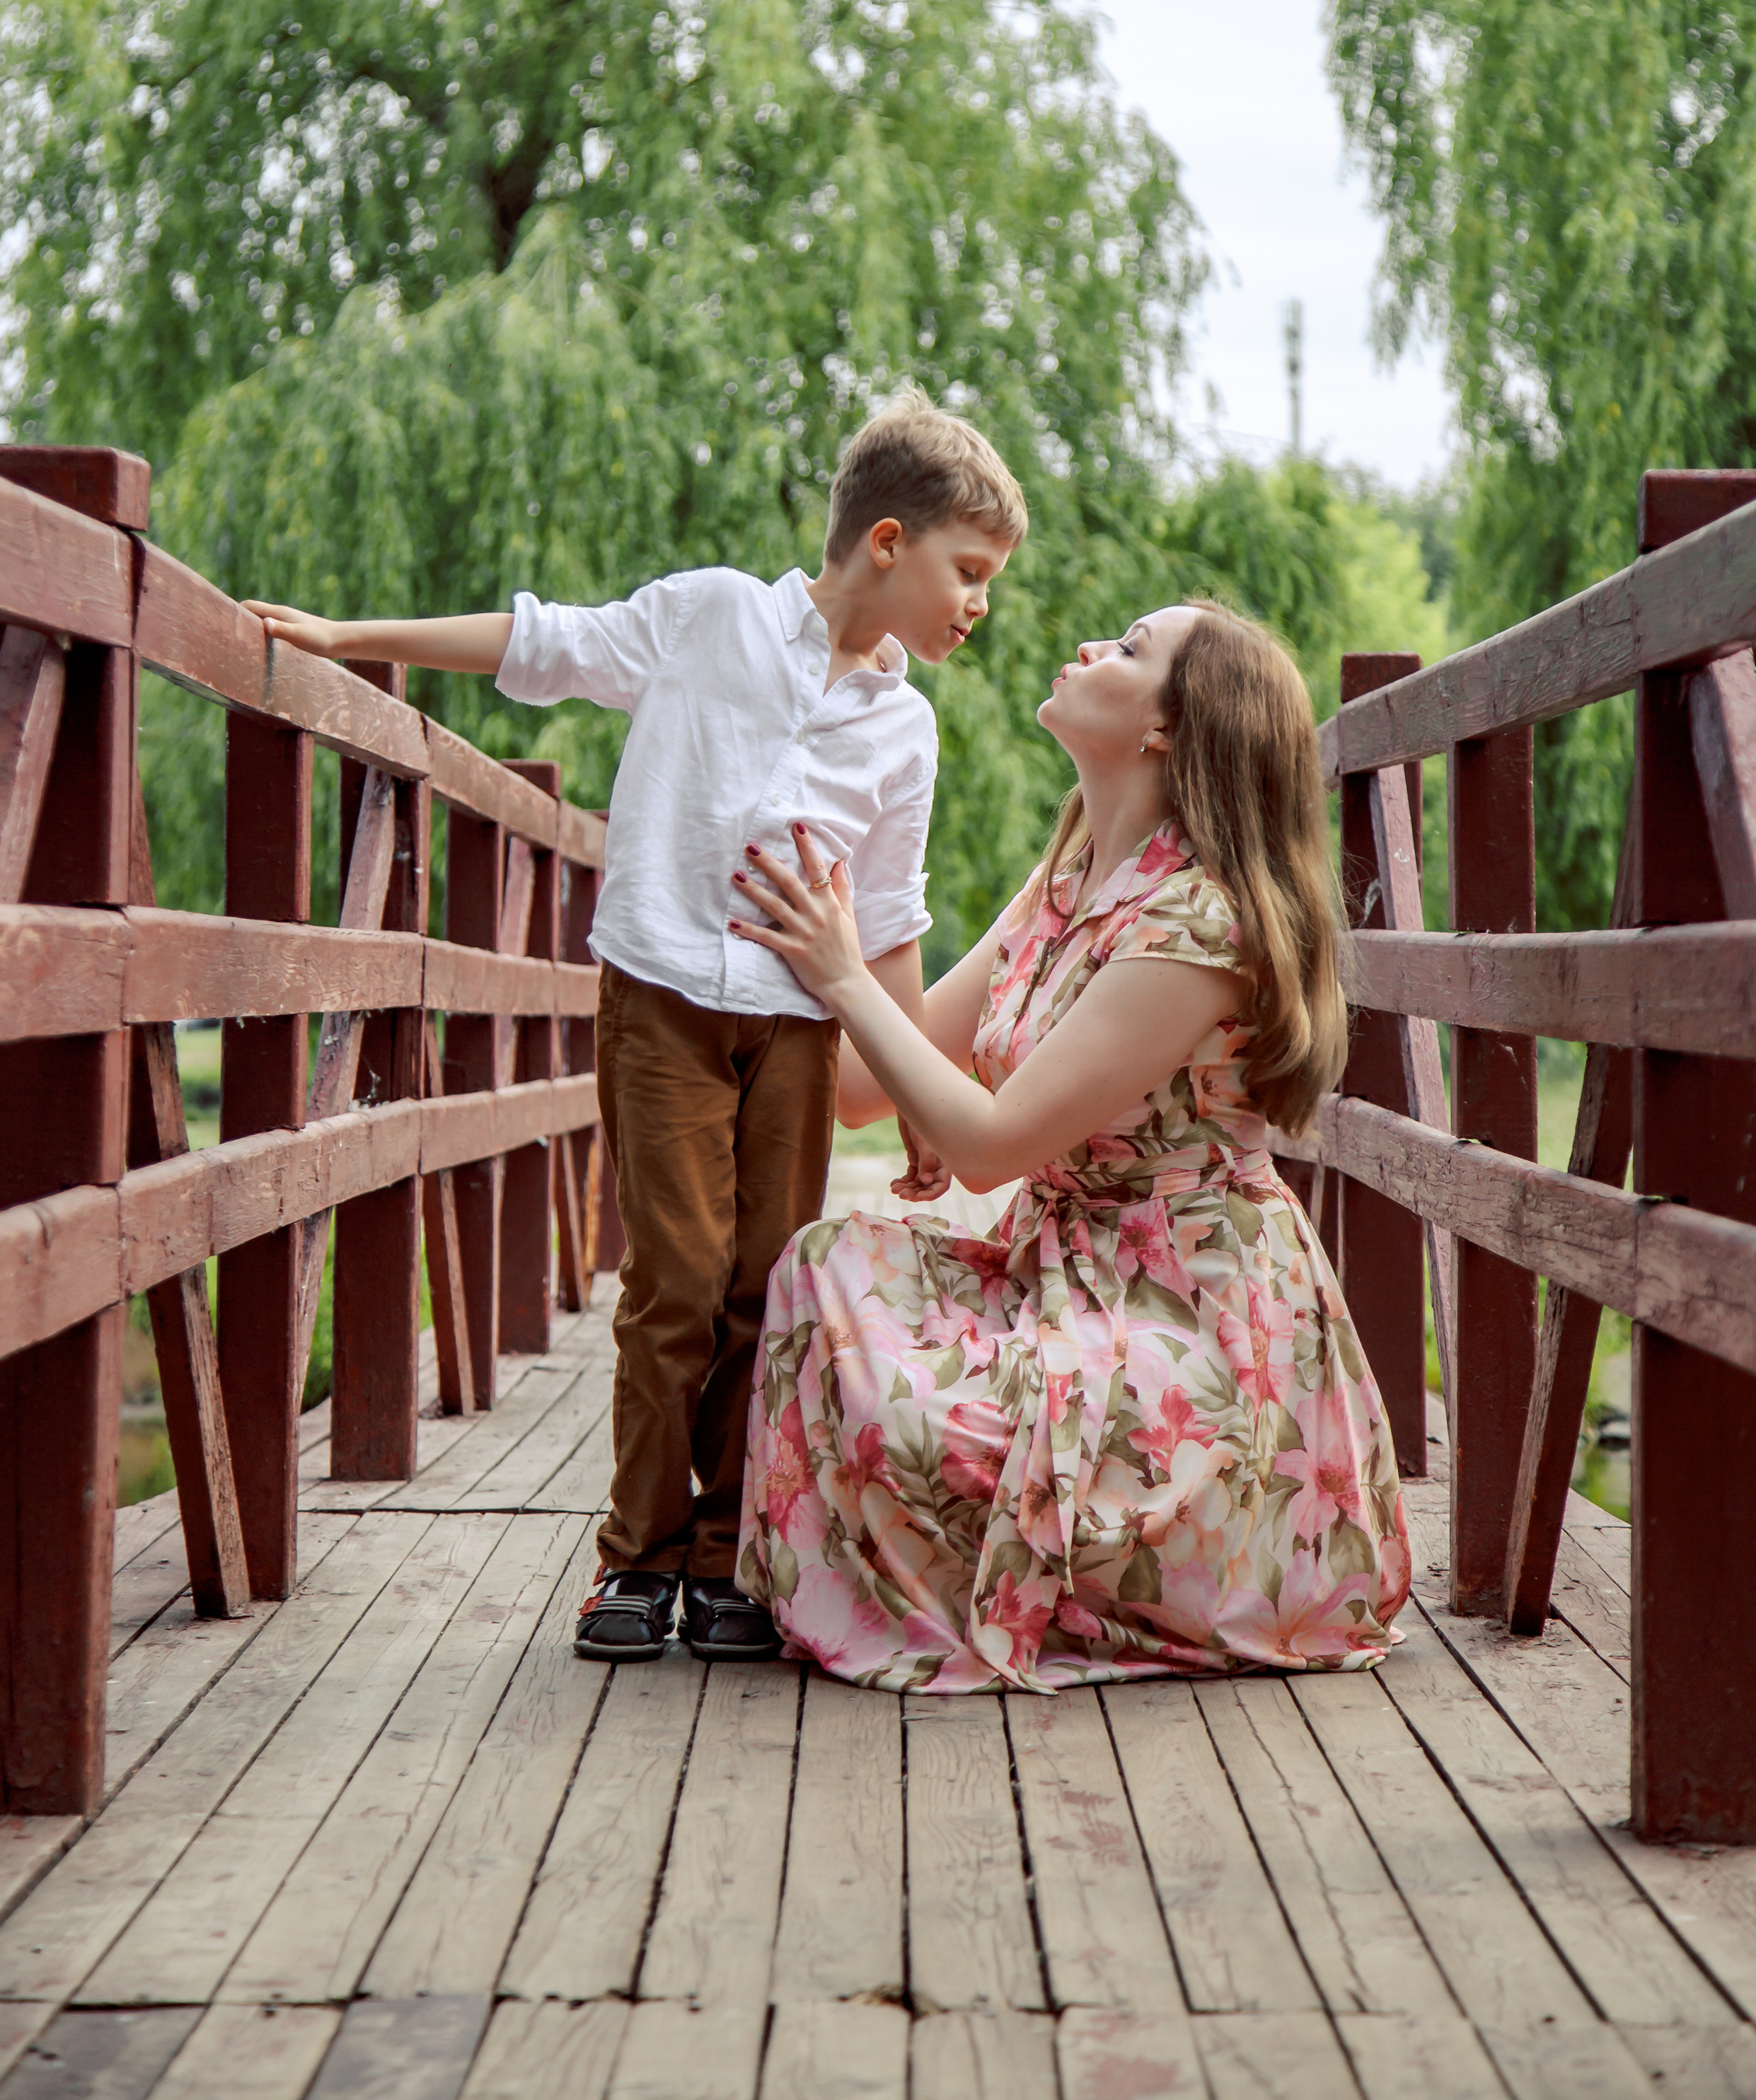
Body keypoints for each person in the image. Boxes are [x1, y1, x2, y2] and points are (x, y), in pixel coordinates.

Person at [245, 391, 1027, 1665]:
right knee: (673, 1278)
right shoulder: (712, 615)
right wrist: (349, 636)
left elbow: (890, 921)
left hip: (796, 1027)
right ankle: (636, 1559)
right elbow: (539, 643)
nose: (979, 603)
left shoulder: (906, 726)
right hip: (662, 997)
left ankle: (724, 1563)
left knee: (763, 1285)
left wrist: (923, 1088)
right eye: (970, 570)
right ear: (888, 543)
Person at [729, 599, 1410, 1692]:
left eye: (1130, 650)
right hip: (1058, 1274)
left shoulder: (1200, 921)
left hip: (1192, 1324)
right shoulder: (1064, 883)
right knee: (825, 1267)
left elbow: (990, 1145)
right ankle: (958, 1567)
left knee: (913, 1409)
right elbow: (862, 1089)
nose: (1089, 647)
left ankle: (1154, 1569)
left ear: (1170, 730)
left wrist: (844, 972)